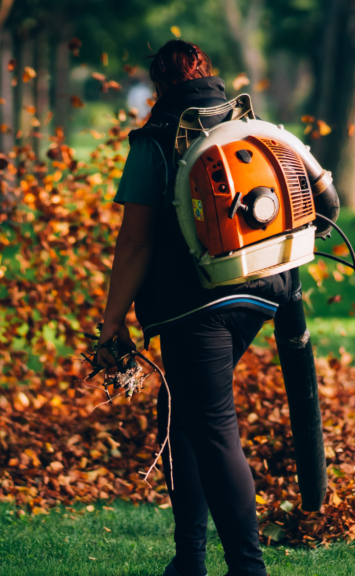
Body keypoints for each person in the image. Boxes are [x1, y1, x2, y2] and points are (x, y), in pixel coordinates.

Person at [95, 39, 290, 576]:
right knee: (179, 415)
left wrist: (112, 323)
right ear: (208, 74)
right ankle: (189, 560)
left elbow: (135, 244)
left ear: (158, 86)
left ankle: (247, 569)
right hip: (260, 292)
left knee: (210, 425)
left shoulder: (155, 139)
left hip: (194, 306)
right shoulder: (245, 124)